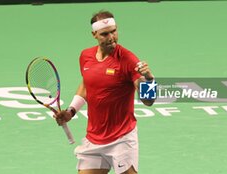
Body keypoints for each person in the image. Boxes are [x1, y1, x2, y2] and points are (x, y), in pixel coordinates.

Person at [54, 10, 155, 174]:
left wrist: (149, 79)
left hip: (121, 139)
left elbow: (148, 102)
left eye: (114, 31)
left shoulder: (128, 59)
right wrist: (71, 111)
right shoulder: (85, 56)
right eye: (105, 34)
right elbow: (87, 85)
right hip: (94, 139)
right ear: (94, 34)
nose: (111, 37)